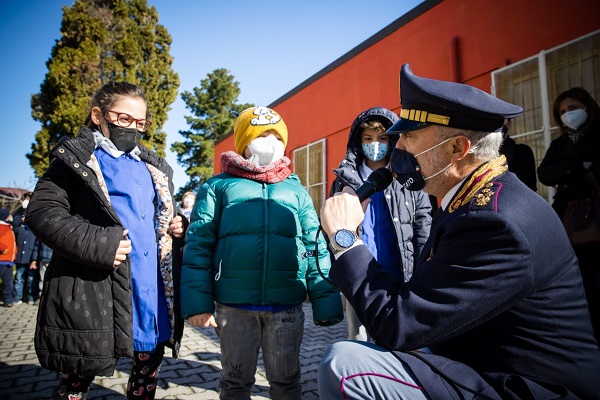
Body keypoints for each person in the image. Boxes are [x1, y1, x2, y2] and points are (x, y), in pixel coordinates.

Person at [318, 64, 600, 399]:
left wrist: (345, 239)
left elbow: (399, 325)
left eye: (409, 136)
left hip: (529, 387)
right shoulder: (469, 199)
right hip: (481, 361)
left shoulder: (496, 221)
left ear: (457, 149)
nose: (399, 148)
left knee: (347, 365)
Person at [25, 81, 186, 400]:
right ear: (98, 115)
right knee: (78, 377)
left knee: (146, 372)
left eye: (141, 123)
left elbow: (164, 216)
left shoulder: (151, 167)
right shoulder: (77, 160)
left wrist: (179, 225)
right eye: (125, 119)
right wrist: (100, 243)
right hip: (97, 290)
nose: (134, 128)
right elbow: (42, 211)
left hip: (149, 290)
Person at [181, 106, 343, 400]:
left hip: (287, 307)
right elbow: (198, 246)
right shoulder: (217, 187)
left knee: (287, 383)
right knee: (235, 382)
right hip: (234, 306)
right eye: (261, 134)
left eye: (275, 134)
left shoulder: (296, 191)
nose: (270, 141)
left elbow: (314, 246)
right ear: (243, 142)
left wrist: (326, 301)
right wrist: (197, 304)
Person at [330, 106, 431, 341]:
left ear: (393, 140)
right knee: (359, 342)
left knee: (398, 339)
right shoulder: (345, 180)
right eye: (368, 139)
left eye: (382, 138)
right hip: (359, 276)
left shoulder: (408, 178)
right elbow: (333, 228)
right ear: (358, 141)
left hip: (401, 274)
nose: (375, 144)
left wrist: (423, 264)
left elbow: (423, 221)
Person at [537, 86, 600, 343]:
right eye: (562, 111)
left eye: (572, 108)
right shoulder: (561, 143)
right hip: (569, 219)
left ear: (587, 107)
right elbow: (545, 174)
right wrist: (577, 166)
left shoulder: (597, 135)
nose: (567, 114)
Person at [499, 118, 537, 191]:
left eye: (500, 119)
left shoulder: (522, 152)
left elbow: (528, 187)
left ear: (509, 123)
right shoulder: (479, 154)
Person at [12, 212, 37, 305]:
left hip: (31, 260)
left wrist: (34, 260)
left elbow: (36, 247)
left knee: (31, 279)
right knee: (19, 278)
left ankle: (30, 296)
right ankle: (17, 296)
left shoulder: (34, 231)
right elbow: (13, 225)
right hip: (20, 258)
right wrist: (20, 219)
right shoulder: (19, 229)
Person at [0, 208, 16, 307]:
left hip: (9, 260)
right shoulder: (1, 226)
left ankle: (8, 300)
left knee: (8, 282)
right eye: (9, 215)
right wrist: (3, 248)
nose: (10, 216)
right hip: (1, 259)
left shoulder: (8, 226)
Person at [31, 237, 53, 303]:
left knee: (52, 279)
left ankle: (50, 297)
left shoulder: (55, 233)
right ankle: (41, 296)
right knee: (42, 278)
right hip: (42, 260)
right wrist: (34, 260)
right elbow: (36, 248)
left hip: (52, 260)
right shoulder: (42, 234)